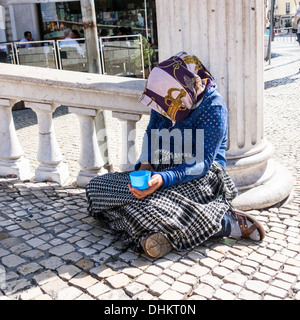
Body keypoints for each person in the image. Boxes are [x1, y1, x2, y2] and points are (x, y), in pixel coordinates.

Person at [86, 52, 265, 259]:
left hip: (200, 177)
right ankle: (164, 232)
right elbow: (152, 132)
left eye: (169, 105)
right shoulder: (165, 99)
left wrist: (162, 179)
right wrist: (146, 164)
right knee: (95, 188)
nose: (164, 111)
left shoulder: (213, 107)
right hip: (164, 168)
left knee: (147, 207)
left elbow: (201, 163)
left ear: (182, 92)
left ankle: (224, 224)